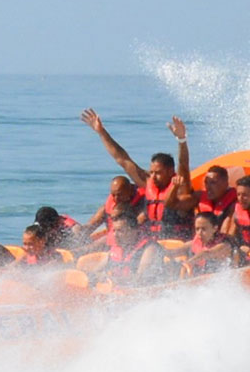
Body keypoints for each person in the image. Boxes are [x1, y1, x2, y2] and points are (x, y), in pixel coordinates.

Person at [80, 108, 194, 240]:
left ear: (170, 171)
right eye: (151, 172)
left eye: (158, 173)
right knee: (113, 236)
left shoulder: (179, 187)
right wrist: (101, 132)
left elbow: (184, 165)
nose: (153, 176)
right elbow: (122, 159)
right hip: (152, 243)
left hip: (176, 244)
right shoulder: (149, 183)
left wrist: (181, 140)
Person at [104, 213, 163, 285]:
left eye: (120, 231)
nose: (115, 235)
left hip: (145, 292)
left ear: (134, 231)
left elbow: (141, 279)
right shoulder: (118, 248)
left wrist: (114, 281)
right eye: (114, 231)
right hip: (121, 289)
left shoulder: (150, 248)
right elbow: (102, 267)